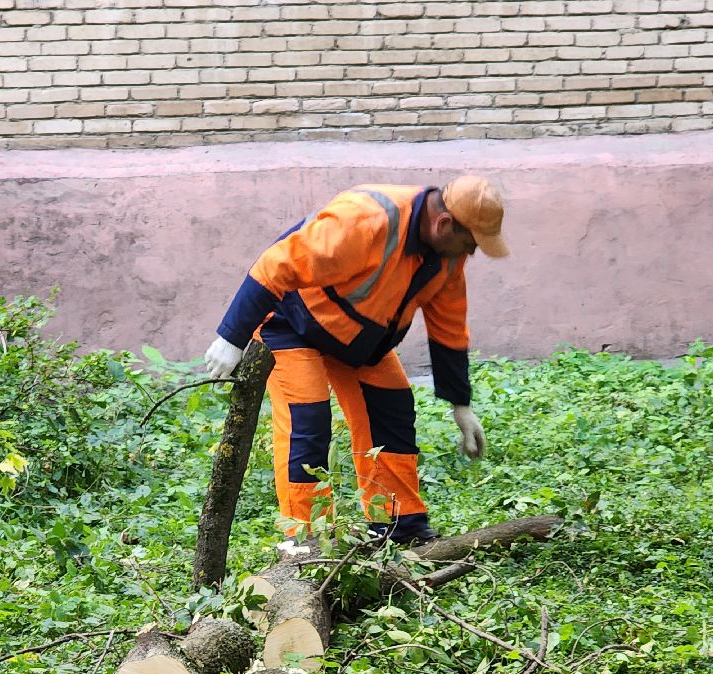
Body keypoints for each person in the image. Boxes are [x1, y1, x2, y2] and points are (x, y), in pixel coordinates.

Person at [202, 175, 508, 543]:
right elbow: (275, 265)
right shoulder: (364, 219)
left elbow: (449, 328)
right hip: (291, 323)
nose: (470, 253)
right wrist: (230, 338)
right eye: (470, 243)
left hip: (360, 342)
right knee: (308, 421)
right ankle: (308, 537)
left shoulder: (446, 257)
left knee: (391, 409)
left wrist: (461, 404)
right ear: (444, 224)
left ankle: (399, 528)